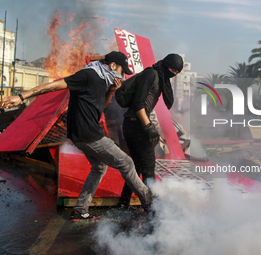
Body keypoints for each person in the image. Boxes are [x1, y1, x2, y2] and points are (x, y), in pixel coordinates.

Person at [0, 51, 153, 221]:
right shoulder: (88, 75)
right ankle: (149, 202)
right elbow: (51, 86)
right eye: (121, 70)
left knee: (99, 167)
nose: (122, 75)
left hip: (84, 134)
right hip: (88, 135)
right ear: (112, 66)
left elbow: (98, 110)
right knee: (127, 162)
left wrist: (111, 91)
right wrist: (22, 97)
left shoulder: (103, 81)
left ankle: (80, 210)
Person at [117, 53, 183, 208]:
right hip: (136, 125)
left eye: (177, 72)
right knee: (148, 167)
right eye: (172, 69)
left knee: (138, 166)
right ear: (166, 64)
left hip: (135, 124)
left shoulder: (160, 78)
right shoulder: (150, 74)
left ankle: (123, 202)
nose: (173, 73)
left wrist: (148, 126)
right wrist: (148, 127)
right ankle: (151, 207)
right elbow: (139, 104)